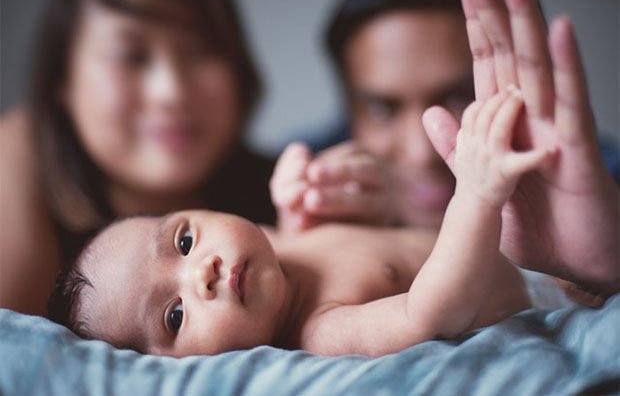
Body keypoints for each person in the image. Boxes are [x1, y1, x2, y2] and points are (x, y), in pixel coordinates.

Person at [50, 86, 552, 357]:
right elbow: (433, 312)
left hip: (541, 264)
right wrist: (477, 192)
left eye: (183, 240)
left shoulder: (273, 240)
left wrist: (308, 190)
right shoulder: (321, 330)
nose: (200, 272)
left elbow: (354, 228)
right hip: (529, 296)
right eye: (175, 316)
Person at [0, 0, 382, 316]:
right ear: (61, 79)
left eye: (201, 49)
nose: (171, 91)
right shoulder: (23, 159)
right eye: (131, 56)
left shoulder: (294, 192)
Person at [295, 0, 618, 298]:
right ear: (347, 112)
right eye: (383, 109)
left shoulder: (594, 188)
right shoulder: (305, 190)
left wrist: (601, 273)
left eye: (459, 96)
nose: (420, 152)